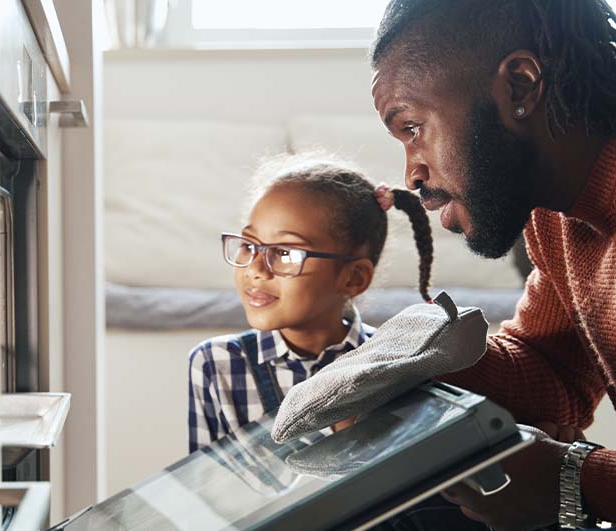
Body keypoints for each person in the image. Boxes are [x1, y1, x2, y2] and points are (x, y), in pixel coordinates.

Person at [369, 0, 616, 528]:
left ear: (521, 86)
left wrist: (573, 477)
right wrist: (412, 364)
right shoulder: (554, 220)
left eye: (413, 128)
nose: (411, 173)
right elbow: (552, 370)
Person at [187, 155, 433, 453]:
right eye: (249, 246)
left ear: (353, 278)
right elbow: (204, 485)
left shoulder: (392, 365)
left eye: (286, 253)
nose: (256, 269)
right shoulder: (217, 362)